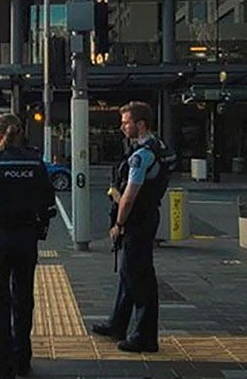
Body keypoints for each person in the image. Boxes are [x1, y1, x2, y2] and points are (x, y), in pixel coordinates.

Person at [0, 114, 56, 379]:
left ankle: (2, 366)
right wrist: (38, 230)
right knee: (23, 299)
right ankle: (22, 359)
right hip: (26, 241)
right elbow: (48, 204)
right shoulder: (35, 162)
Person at [92, 101, 174, 353]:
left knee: (140, 278)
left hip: (137, 220)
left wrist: (119, 223)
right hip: (147, 216)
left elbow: (129, 196)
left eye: (126, 122)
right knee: (130, 273)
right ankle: (118, 323)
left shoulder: (141, 155)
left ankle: (145, 337)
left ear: (140, 124)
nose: (122, 127)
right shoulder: (159, 147)